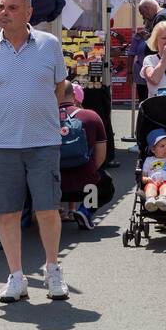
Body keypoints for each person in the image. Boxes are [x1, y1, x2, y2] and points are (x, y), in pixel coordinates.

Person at [0, 0, 71, 303]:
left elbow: (59, 86)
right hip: (3, 144)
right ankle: (16, 276)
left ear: (28, 13)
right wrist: (7, 115)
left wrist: (37, 115)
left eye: (12, 7)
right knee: (7, 212)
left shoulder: (49, 45)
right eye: (1, 6)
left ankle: (52, 270)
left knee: (47, 210)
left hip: (43, 142)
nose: (4, 12)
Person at [58, 82, 108, 230]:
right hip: (85, 184)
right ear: (74, 96)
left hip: (53, 186)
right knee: (106, 183)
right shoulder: (91, 116)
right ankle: (86, 210)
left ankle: (47, 212)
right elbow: (101, 157)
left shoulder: (44, 117)